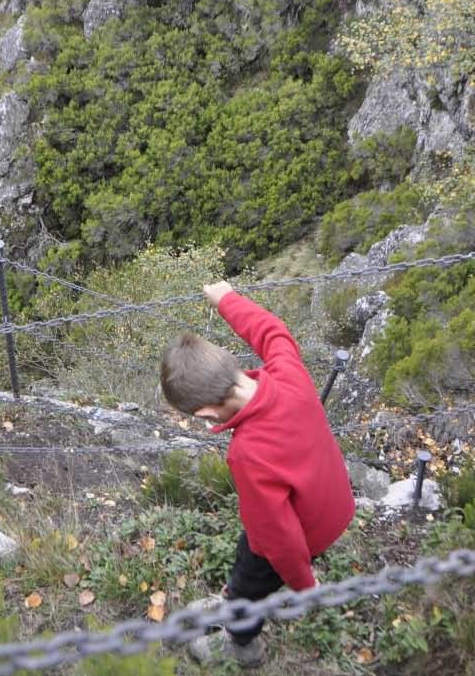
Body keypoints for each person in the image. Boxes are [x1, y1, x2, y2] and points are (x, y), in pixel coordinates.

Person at [159, 281, 355, 668]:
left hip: (303, 530)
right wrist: (227, 300)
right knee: (249, 561)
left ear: (206, 413)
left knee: (253, 573)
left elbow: (277, 538)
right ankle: (236, 598)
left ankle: (241, 640)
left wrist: (304, 586)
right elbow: (272, 331)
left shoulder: (248, 453)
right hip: (333, 503)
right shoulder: (288, 373)